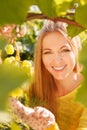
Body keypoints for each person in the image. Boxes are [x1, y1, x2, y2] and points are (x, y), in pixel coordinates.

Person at [9, 20, 87, 130]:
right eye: (47, 52)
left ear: (76, 50)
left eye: (64, 50)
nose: (57, 60)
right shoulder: (35, 81)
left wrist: (50, 126)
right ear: (41, 57)